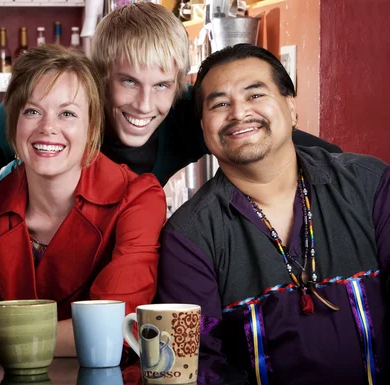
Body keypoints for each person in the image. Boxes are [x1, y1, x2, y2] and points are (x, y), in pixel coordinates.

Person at [0, 1, 340, 284]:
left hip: (115, 258)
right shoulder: (53, 107)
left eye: (162, 85)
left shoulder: (184, 114)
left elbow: (290, 143)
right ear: (99, 77)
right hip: (30, 256)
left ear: (179, 85)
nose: (145, 104)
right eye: (128, 81)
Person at [156, 44, 388, 385]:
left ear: (291, 107)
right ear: (204, 128)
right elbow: (193, 364)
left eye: (255, 95)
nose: (239, 113)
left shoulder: (370, 185)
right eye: (220, 103)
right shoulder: (190, 236)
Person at [0, 44, 165, 355]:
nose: (48, 128)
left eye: (67, 113)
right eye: (32, 111)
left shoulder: (138, 199)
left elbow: (119, 329)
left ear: (91, 127)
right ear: (12, 126)